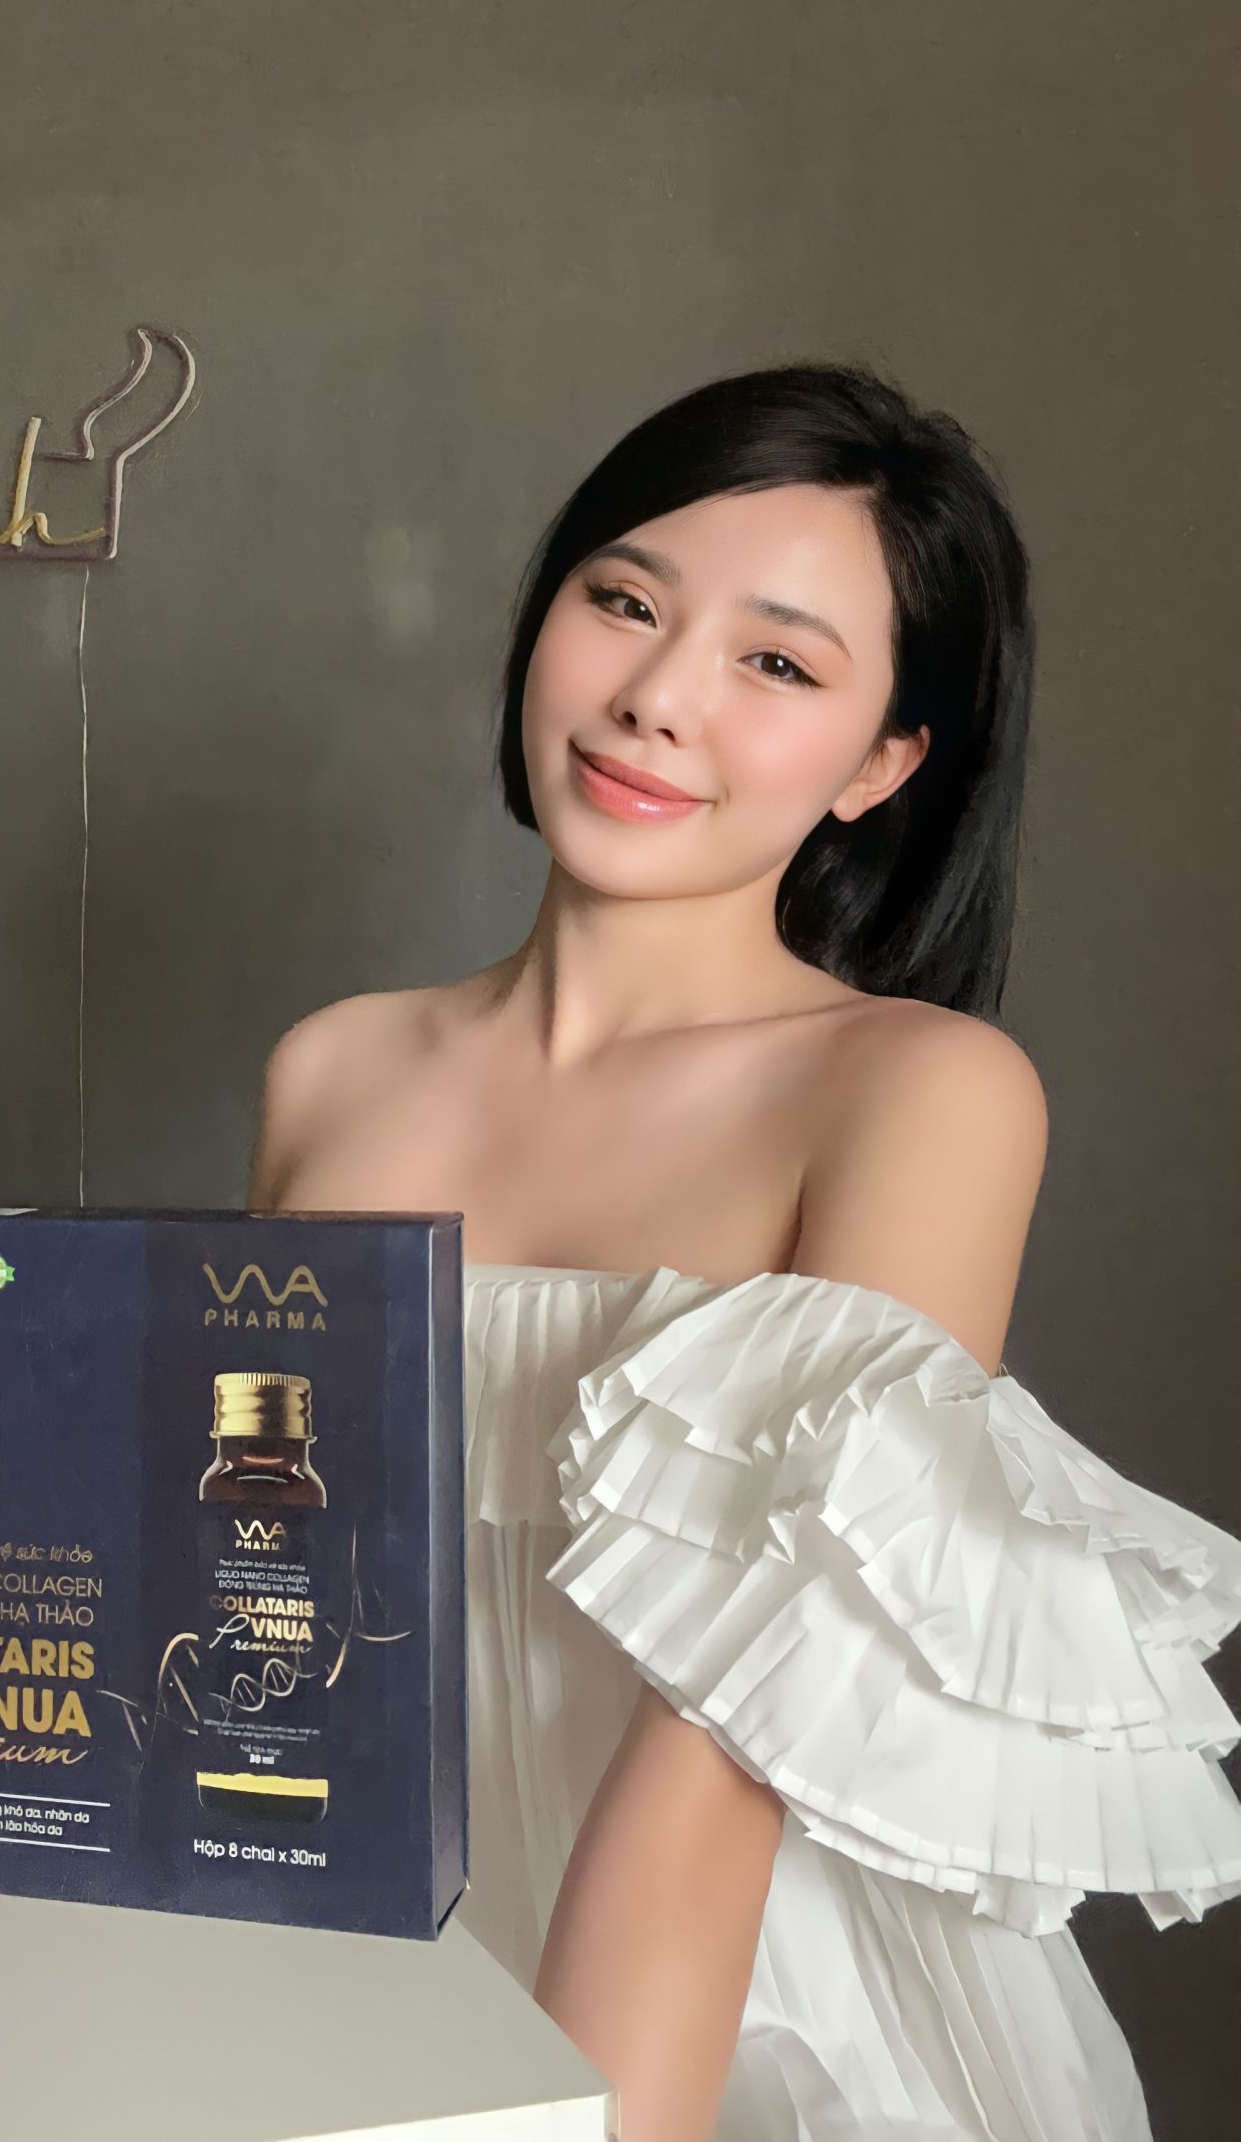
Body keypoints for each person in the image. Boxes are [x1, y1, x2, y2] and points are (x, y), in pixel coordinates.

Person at [246, 362, 1241, 2142]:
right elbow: (255, 1596)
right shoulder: (333, 1069)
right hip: (356, 1964)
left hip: (744, 2005)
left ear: (883, 763)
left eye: (777, 664)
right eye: (625, 602)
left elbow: (729, 1747)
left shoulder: (917, 1092)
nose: (655, 699)